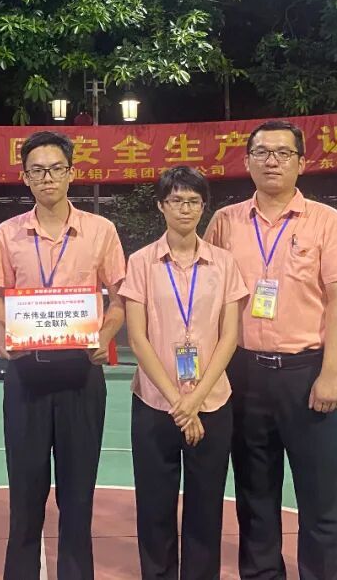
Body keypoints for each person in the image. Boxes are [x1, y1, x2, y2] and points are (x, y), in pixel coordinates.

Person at [204, 119, 337, 580]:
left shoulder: (326, 221)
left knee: (319, 494)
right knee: (254, 492)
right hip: (242, 372)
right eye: (262, 152)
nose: (272, 161)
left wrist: (331, 373)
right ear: (247, 161)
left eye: (283, 153)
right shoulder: (225, 222)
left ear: (301, 163)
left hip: (307, 372)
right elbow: (206, 293)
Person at [0, 130, 127, 580]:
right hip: (25, 376)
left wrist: (104, 336)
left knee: (78, 494)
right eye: (37, 171)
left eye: (55, 169)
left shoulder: (101, 231)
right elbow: (0, 299)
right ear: (25, 178)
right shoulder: (8, 233)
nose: (47, 178)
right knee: (25, 493)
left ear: (71, 173)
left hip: (81, 377)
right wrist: (3, 339)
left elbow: (121, 300)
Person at [121, 167, 246, 580]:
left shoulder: (224, 264)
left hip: (212, 402)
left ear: (203, 206)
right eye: (176, 200)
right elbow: (137, 338)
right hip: (155, 403)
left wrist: (195, 401)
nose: (185, 209)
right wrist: (180, 403)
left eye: (193, 201)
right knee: (154, 505)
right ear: (161, 206)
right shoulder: (141, 262)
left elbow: (229, 337)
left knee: (206, 506)